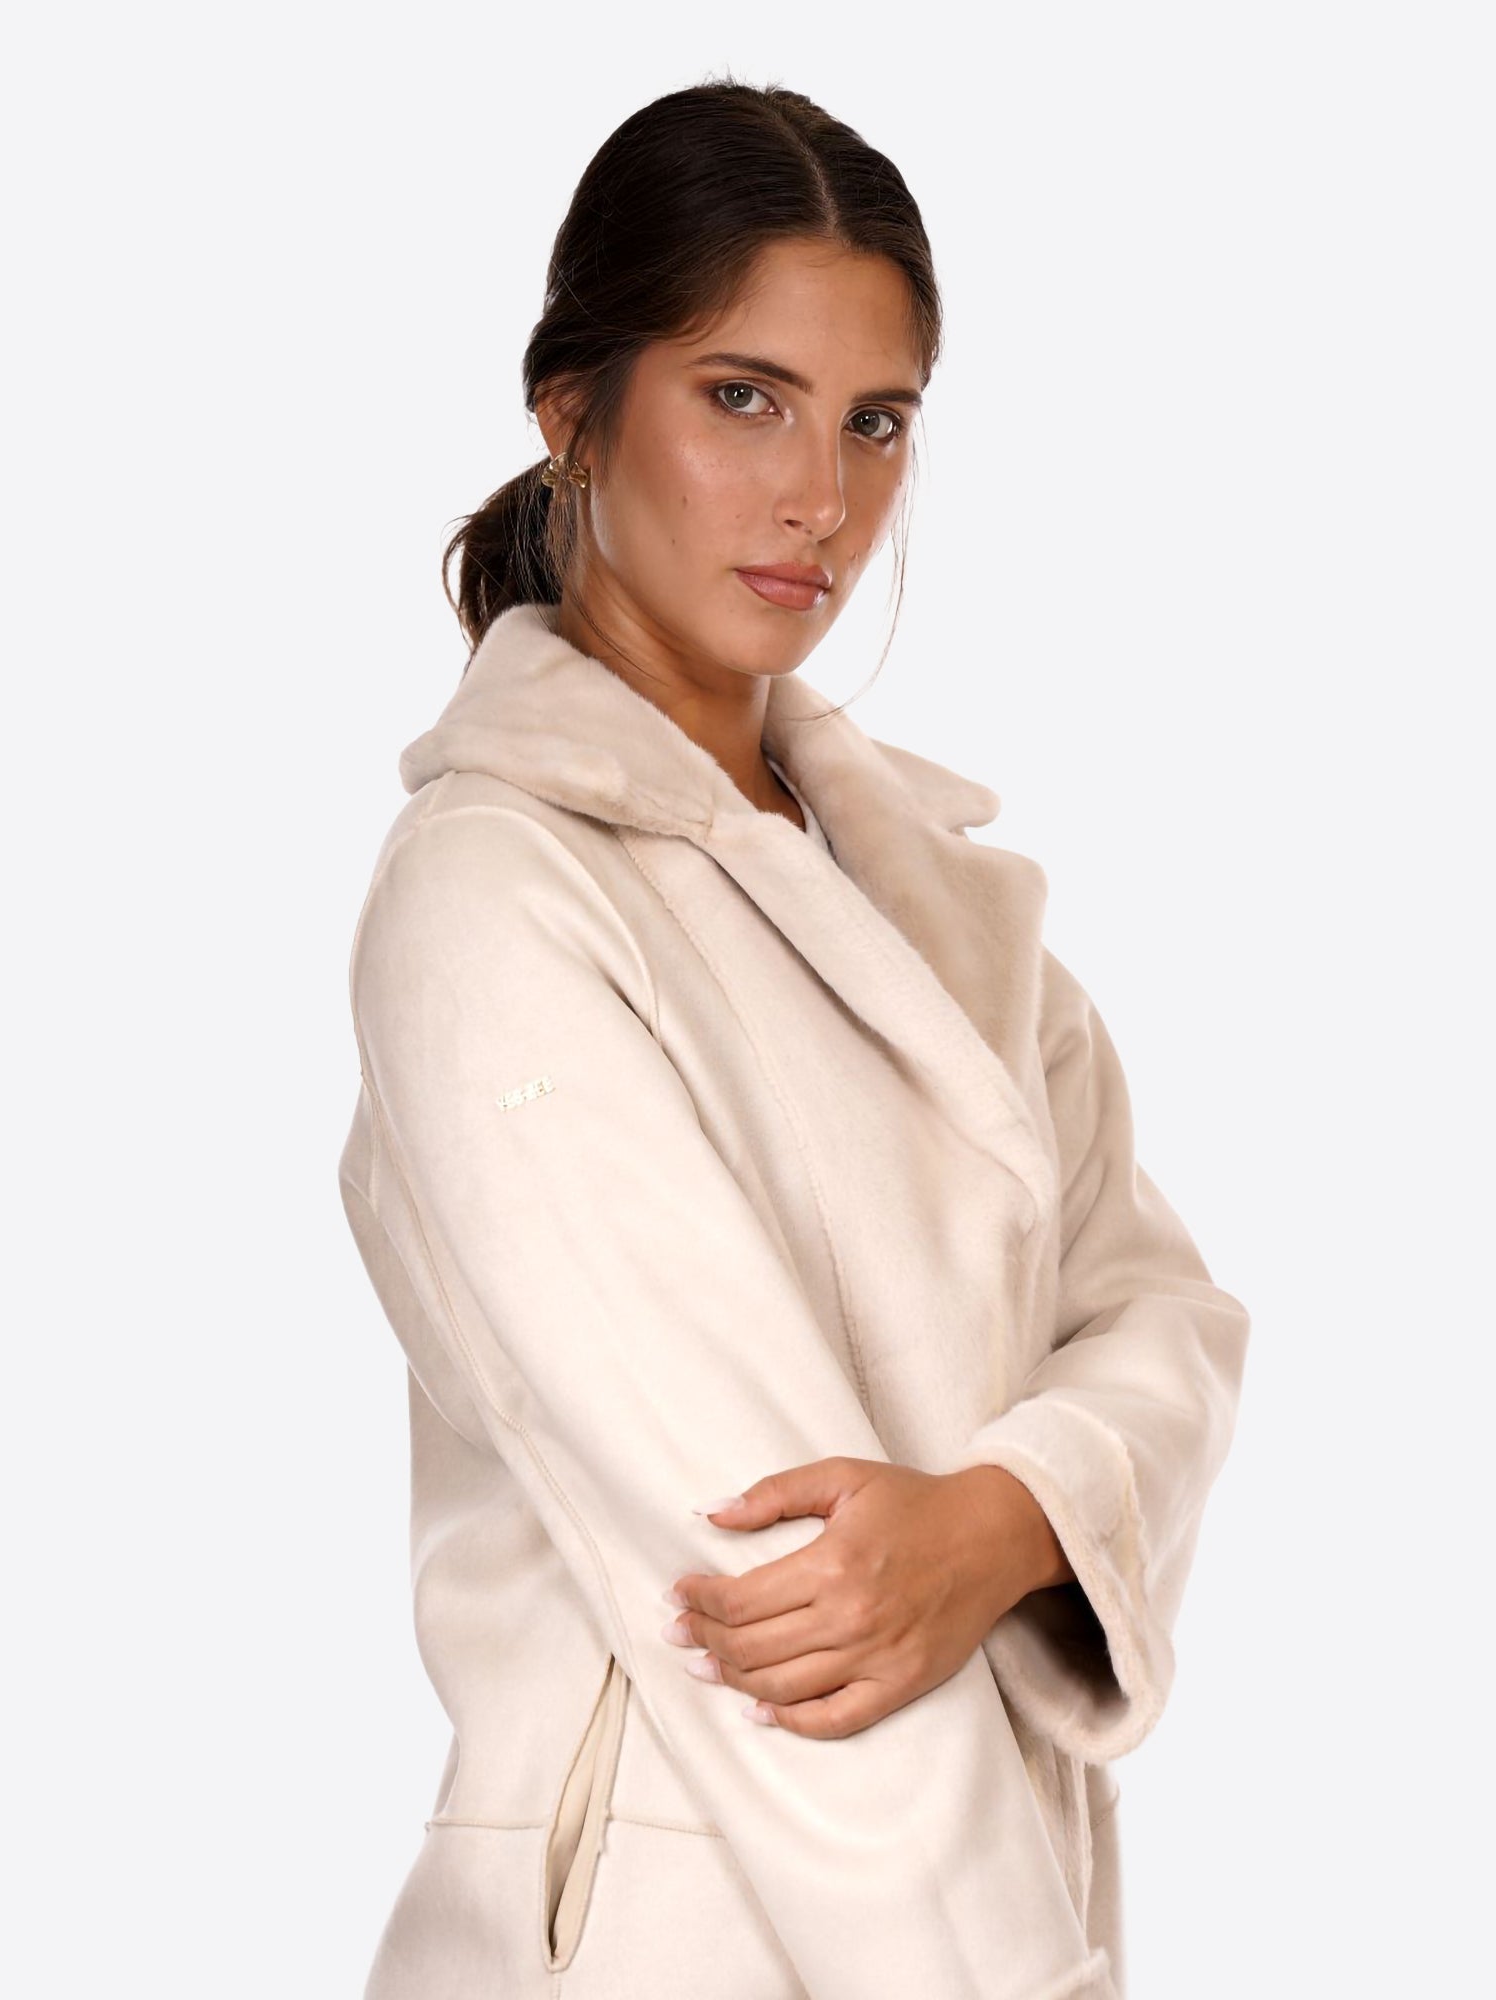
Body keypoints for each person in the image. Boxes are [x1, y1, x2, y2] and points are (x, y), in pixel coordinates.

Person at [336, 76, 1250, 2000]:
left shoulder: (942, 895)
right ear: (574, 412)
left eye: (874, 421)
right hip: (671, 1930)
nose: (820, 498)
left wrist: (1000, 1517)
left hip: (982, 1898)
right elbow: (771, 1596)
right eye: (743, 396)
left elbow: (1165, 1319)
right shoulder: (492, 898)